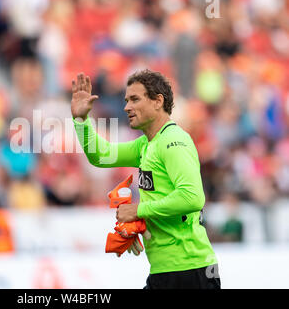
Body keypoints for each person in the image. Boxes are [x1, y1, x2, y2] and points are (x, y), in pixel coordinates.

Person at [71, 70, 220, 289]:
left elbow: (192, 197)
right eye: (126, 100)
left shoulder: (174, 140)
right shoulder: (145, 145)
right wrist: (81, 120)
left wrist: (138, 210)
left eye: (135, 99)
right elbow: (100, 156)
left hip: (191, 271)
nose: (126, 107)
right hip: (165, 271)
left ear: (158, 101)